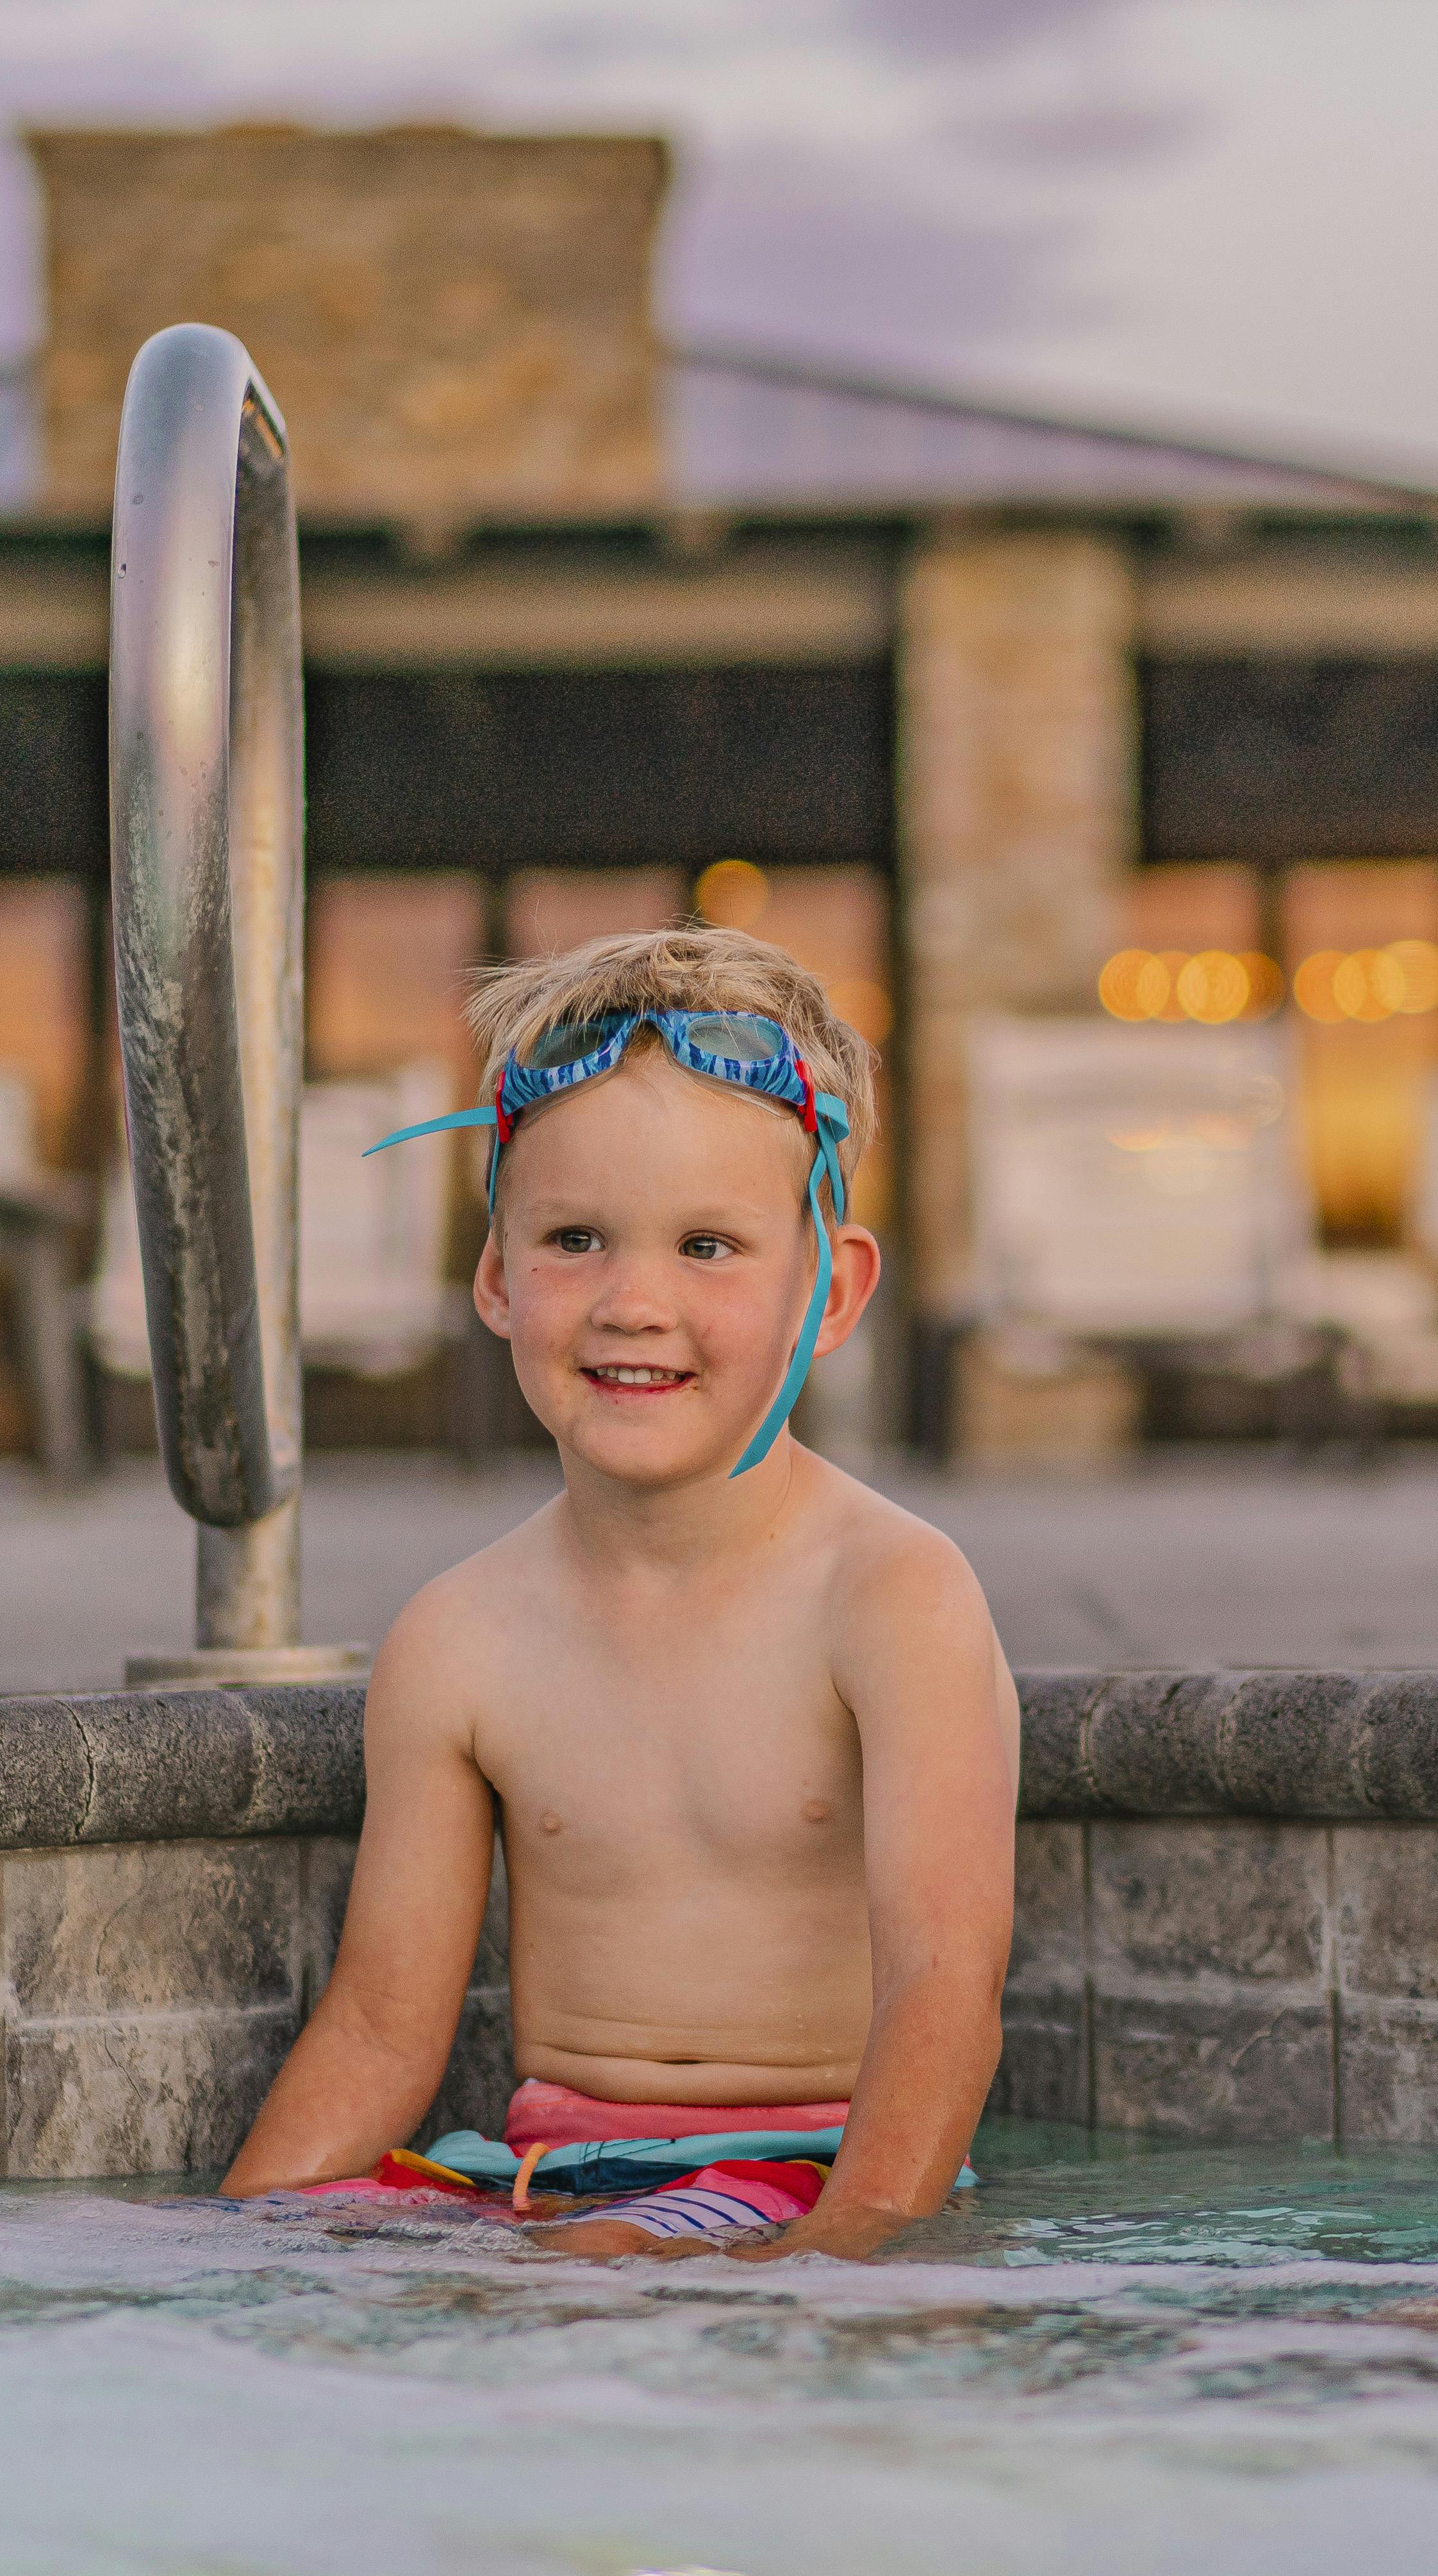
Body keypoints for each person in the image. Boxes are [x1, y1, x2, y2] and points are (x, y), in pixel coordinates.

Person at [216, 926, 1017, 2257]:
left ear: (833, 1288)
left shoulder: (890, 1597)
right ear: (494, 1278)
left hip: (801, 2167)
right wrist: (225, 2259)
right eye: (576, 1239)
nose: (632, 1301)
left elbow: (944, 1986)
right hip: (539, 2180)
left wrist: (836, 2265)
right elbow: (375, 2024)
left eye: (709, 1247)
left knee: (582, 2271)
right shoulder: (460, 1638)